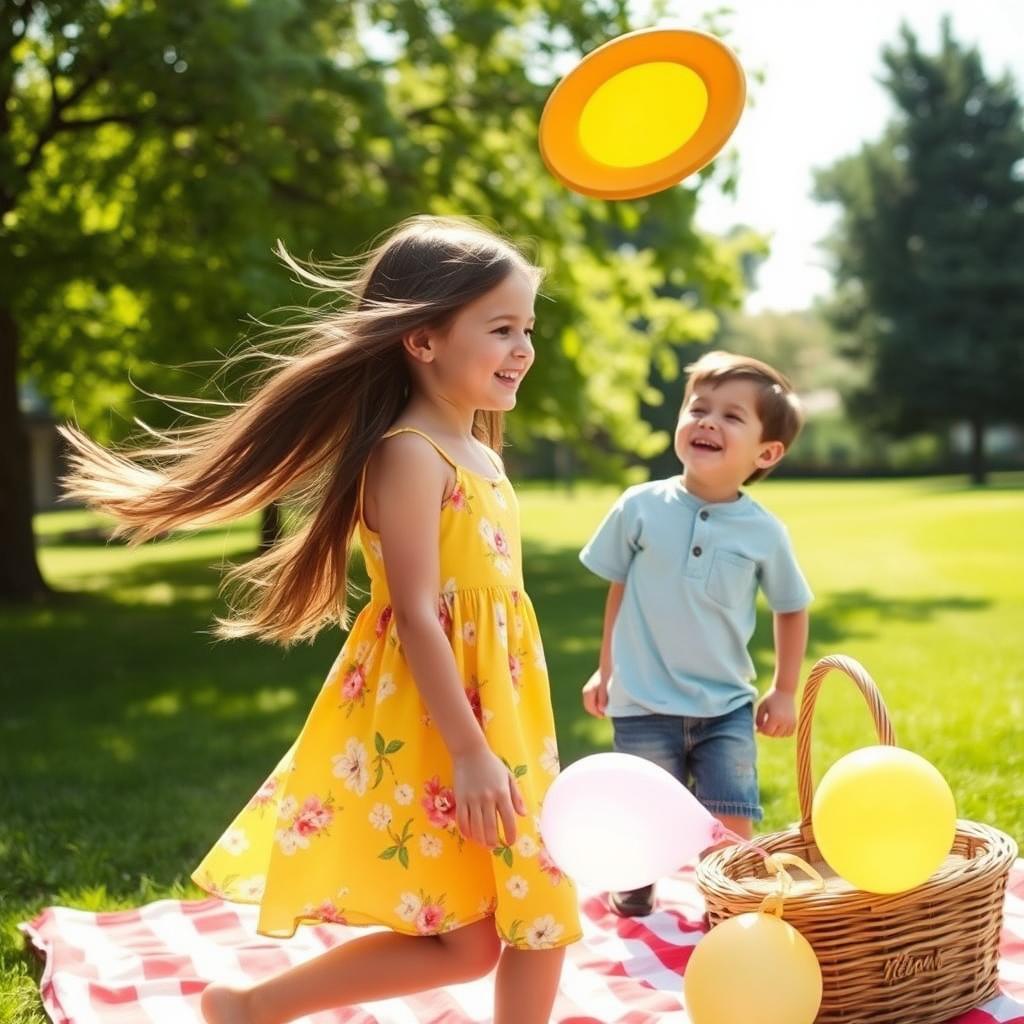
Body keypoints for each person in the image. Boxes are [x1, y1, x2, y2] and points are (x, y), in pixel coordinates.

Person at [59, 215, 581, 1024]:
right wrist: (473, 753)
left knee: (507, 922)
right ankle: (252, 1006)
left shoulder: (482, 450)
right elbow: (415, 614)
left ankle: (248, 1007)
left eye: (527, 330)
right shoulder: (410, 452)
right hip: (444, 724)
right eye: (502, 329)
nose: (523, 349)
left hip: (502, 713)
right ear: (423, 340)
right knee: (503, 922)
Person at [579, 350, 812, 918]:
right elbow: (618, 591)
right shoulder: (639, 507)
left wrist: (784, 689)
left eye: (732, 416)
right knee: (643, 806)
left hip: (725, 704)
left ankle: (732, 902)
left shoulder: (764, 532)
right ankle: (635, 879)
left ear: (767, 452)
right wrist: (604, 668)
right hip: (642, 699)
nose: (707, 421)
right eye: (698, 408)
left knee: (732, 812)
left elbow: (792, 607)